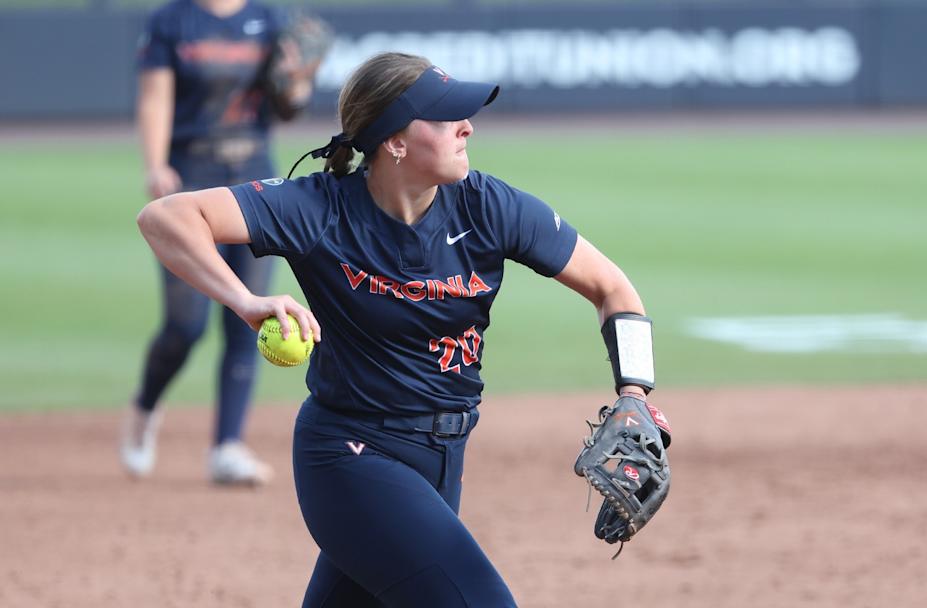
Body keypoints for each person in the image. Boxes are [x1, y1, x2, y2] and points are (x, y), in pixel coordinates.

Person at [136, 51, 662, 606]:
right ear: (395, 141)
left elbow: (614, 290)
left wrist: (635, 395)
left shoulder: (489, 206)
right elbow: (165, 218)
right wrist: (245, 300)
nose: (467, 127)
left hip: (442, 459)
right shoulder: (319, 209)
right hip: (350, 457)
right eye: (446, 118)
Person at [121, 0, 323, 485]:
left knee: (247, 319)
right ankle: (145, 408)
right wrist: (155, 163)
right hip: (192, 171)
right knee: (185, 325)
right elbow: (155, 97)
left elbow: (287, 106)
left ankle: (227, 446)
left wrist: (299, 79)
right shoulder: (172, 20)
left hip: (253, 171)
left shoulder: (270, 19)